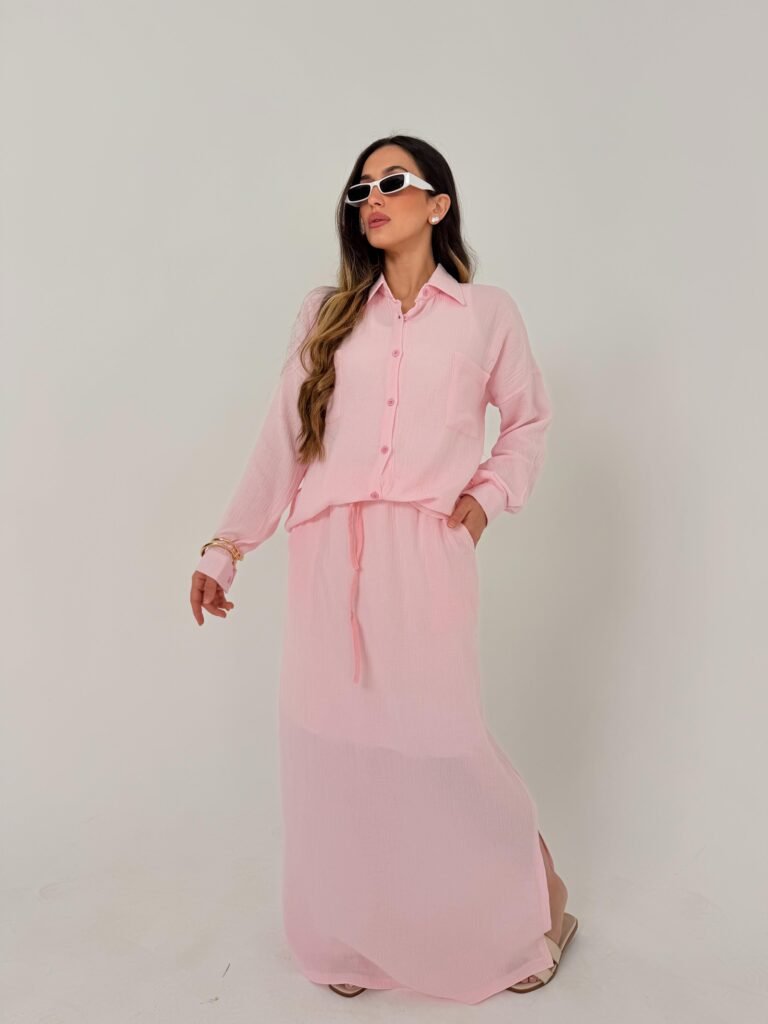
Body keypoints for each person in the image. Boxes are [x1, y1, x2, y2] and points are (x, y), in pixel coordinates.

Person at [189, 134, 577, 1004]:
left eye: (392, 182)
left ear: (438, 204)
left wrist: (483, 499)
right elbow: (284, 438)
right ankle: (355, 939)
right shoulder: (326, 314)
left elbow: (528, 421)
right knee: (333, 744)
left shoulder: (485, 315)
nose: (371, 197)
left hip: (426, 548)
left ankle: (536, 902)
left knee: (443, 743)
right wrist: (228, 546)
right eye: (360, 187)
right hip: (328, 549)